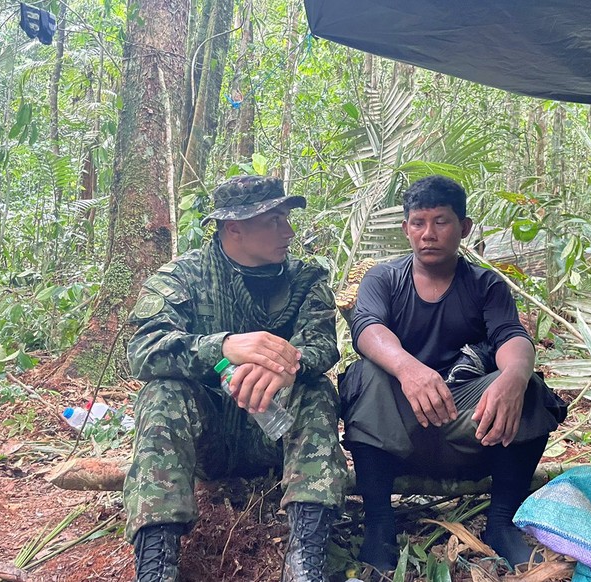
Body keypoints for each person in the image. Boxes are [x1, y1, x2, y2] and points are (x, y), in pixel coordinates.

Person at [123, 176, 348, 582]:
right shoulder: (184, 277)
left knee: (315, 389)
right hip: (207, 439)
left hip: (274, 435)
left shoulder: (305, 279)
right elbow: (141, 352)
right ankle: (156, 560)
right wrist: (222, 347)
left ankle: (306, 559)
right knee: (162, 393)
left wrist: (280, 365)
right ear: (234, 228)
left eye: (287, 219)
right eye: (275, 220)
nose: (289, 231)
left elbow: (322, 346)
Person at [340, 175, 566, 571]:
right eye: (418, 222)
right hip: (399, 426)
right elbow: (367, 329)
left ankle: (500, 524)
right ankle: (379, 525)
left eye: (441, 222)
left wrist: (513, 378)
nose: (429, 234)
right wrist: (409, 369)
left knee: (527, 386)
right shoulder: (384, 278)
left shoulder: (485, 286)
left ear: (464, 228)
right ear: (405, 227)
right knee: (364, 375)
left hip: (468, 425)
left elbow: (511, 336)